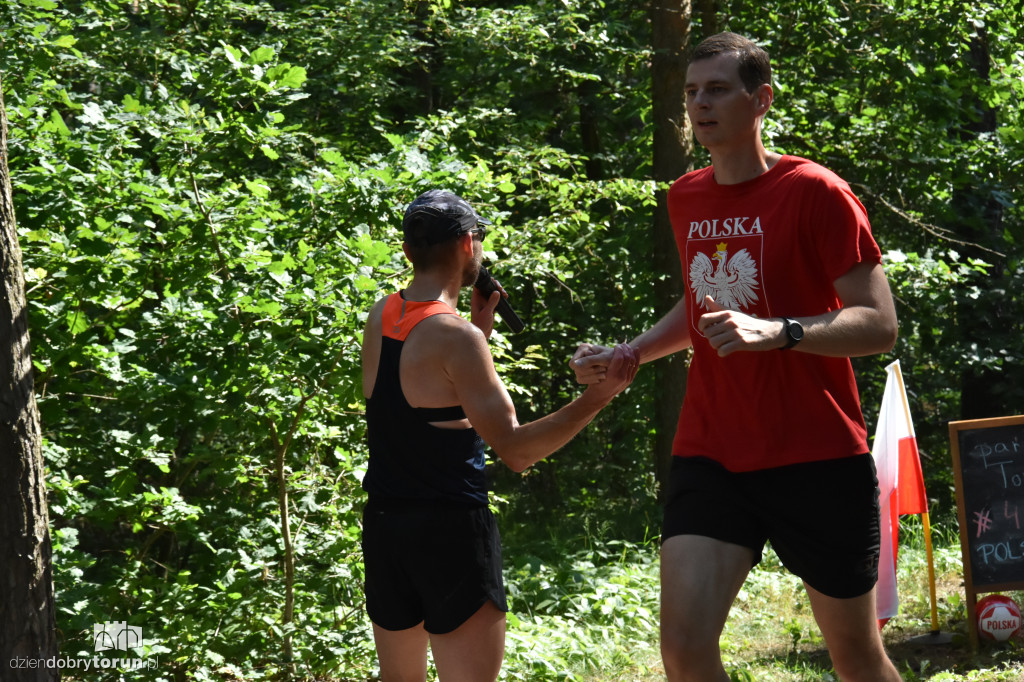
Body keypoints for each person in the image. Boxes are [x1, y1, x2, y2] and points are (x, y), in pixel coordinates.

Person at [572, 33, 902, 682]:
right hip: (713, 451)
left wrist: (779, 331)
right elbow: (699, 305)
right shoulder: (686, 197)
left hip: (816, 455)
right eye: (692, 92)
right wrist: (631, 352)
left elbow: (878, 323)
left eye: (718, 89)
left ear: (762, 101)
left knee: (856, 659)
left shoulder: (815, 192)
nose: (700, 104)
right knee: (686, 650)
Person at [360, 189, 638, 682]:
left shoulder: (382, 317)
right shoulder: (456, 339)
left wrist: (479, 328)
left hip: (385, 529)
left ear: (408, 251)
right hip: (449, 534)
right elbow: (515, 450)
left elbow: (422, 397)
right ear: (469, 244)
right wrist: (598, 398)